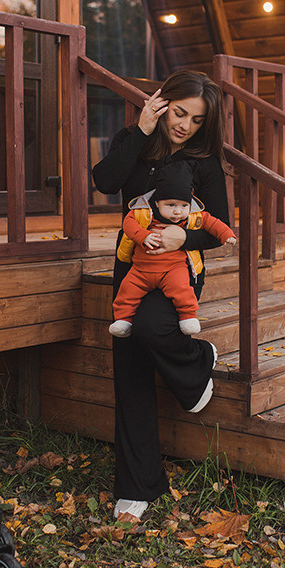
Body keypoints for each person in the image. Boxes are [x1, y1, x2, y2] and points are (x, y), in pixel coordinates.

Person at [92, 70, 231, 521]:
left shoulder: (203, 162)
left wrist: (182, 238)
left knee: (151, 328)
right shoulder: (133, 140)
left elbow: (219, 229)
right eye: (180, 113)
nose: (185, 125)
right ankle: (137, 487)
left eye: (197, 120)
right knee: (129, 366)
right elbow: (105, 181)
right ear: (162, 103)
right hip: (132, 266)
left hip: (179, 270)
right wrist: (141, 130)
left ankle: (196, 360)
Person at [110, 160, 236, 337]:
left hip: (173, 268)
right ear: (157, 203)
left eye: (184, 205)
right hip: (141, 269)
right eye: (171, 205)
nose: (178, 211)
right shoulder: (143, 213)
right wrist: (143, 236)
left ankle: (188, 317)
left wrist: (226, 234)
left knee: (182, 290)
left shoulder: (192, 216)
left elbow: (212, 222)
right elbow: (128, 224)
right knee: (127, 290)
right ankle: (123, 321)